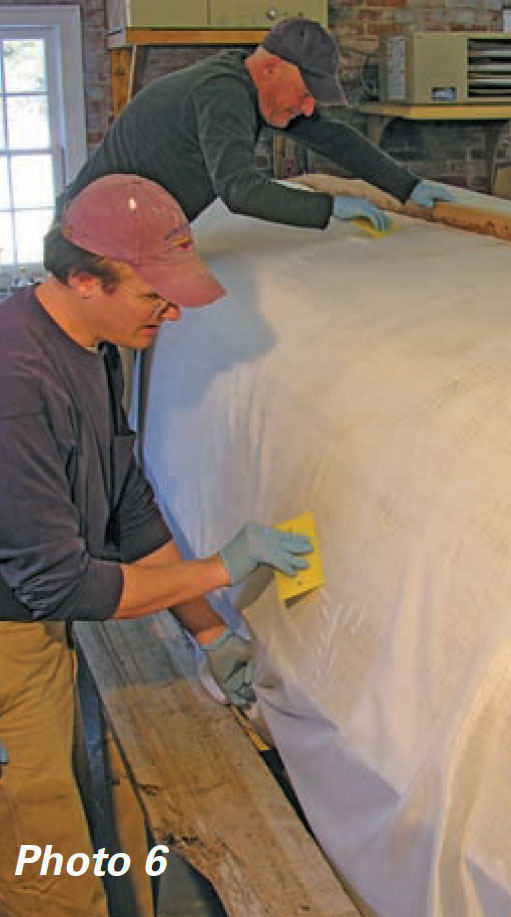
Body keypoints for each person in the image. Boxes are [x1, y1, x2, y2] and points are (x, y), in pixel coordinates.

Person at [0, 174, 313, 917]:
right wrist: (222, 565)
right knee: (46, 855)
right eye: (152, 295)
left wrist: (209, 632)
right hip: (11, 629)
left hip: (37, 618)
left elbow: (129, 505)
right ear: (83, 279)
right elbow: (63, 585)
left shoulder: (94, 342)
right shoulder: (15, 383)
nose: (171, 312)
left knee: (108, 817)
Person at [59, 17, 454, 232]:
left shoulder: (251, 87)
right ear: (271, 67)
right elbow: (239, 190)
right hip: (86, 238)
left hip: (129, 230)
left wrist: (407, 185)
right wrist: (329, 207)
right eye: (304, 92)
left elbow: (333, 137)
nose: (308, 105)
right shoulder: (223, 92)